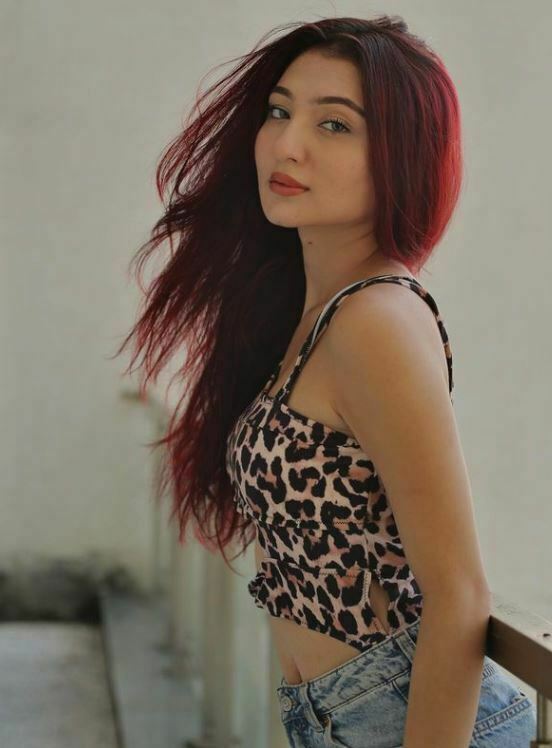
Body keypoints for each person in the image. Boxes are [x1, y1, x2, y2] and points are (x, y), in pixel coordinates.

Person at [115, 14, 537, 748]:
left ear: (402, 156)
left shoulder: (377, 322)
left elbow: (459, 595)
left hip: (411, 717)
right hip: (336, 715)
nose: (287, 144)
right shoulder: (316, 315)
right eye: (279, 112)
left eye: (335, 125)